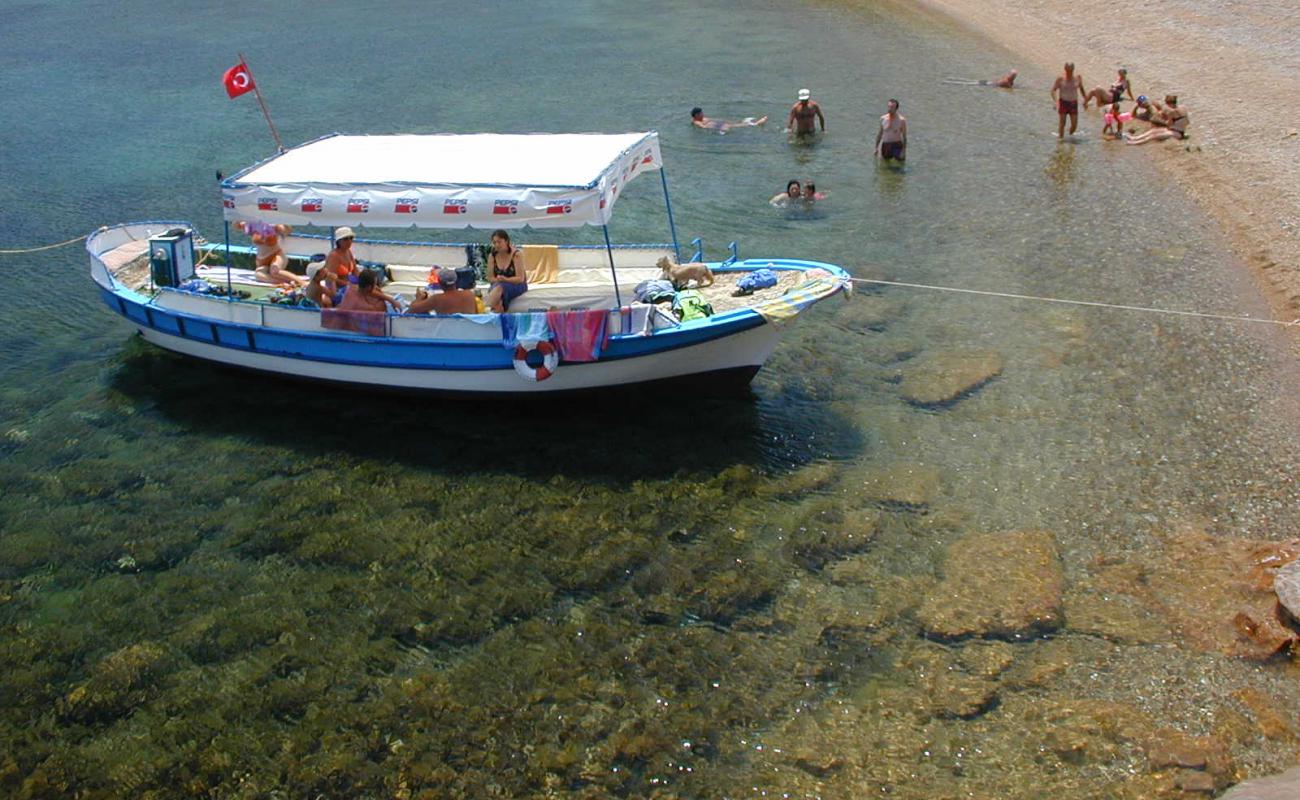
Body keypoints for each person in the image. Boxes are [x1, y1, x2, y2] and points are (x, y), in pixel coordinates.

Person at [238, 220, 304, 287]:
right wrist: (242, 215)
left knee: (274, 272)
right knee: (258, 275)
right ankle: (286, 282)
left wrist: (279, 221)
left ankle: (302, 282)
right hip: (262, 261)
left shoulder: (273, 225)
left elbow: (288, 230)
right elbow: (235, 224)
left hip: (276, 255)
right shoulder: (252, 224)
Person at [484, 229, 527, 313]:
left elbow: (520, 278)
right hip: (498, 284)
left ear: (506, 241)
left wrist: (505, 279)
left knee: (499, 288)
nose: (496, 245)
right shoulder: (492, 256)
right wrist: (499, 279)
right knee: (498, 296)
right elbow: (490, 278)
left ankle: (485, 311)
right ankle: (495, 314)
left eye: (499, 242)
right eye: (494, 242)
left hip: (516, 284)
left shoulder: (516, 255)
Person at [409, 268, 479, 315]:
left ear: (439, 282)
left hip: (447, 333)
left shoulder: (437, 299)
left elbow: (412, 310)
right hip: (468, 333)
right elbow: (476, 314)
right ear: (456, 281)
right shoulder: (469, 294)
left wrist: (419, 297)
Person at [1050, 62, 1084, 138]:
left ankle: (1070, 136)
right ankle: (1061, 140)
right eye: (1068, 70)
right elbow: (1053, 90)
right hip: (1063, 102)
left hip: (1073, 103)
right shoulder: (1060, 79)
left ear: (1073, 70)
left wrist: (1086, 99)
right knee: (1062, 123)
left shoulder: (1077, 78)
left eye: (1071, 70)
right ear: (1065, 69)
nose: (1069, 72)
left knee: (1074, 125)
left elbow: (1081, 89)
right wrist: (1056, 102)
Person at [875, 99, 907, 163]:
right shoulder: (883, 118)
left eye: (892, 107)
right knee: (884, 167)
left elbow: (904, 137)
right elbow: (880, 134)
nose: (889, 109)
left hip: (896, 145)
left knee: (899, 166)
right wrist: (876, 148)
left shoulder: (901, 120)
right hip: (885, 145)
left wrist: (903, 151)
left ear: (896, 108)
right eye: (889, 106)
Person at [690, 107, 768, 132]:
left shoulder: (702, 118)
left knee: (733, 124)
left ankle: (750, 123)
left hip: (716, 123)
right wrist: (720, 128)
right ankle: (754, 124)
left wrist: (722, 121)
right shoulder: (696, 122)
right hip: (715, 126)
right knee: (732, 126)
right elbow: (703, 127)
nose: (703, 114)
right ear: (696, 115)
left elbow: (712, 119)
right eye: (701, 113)